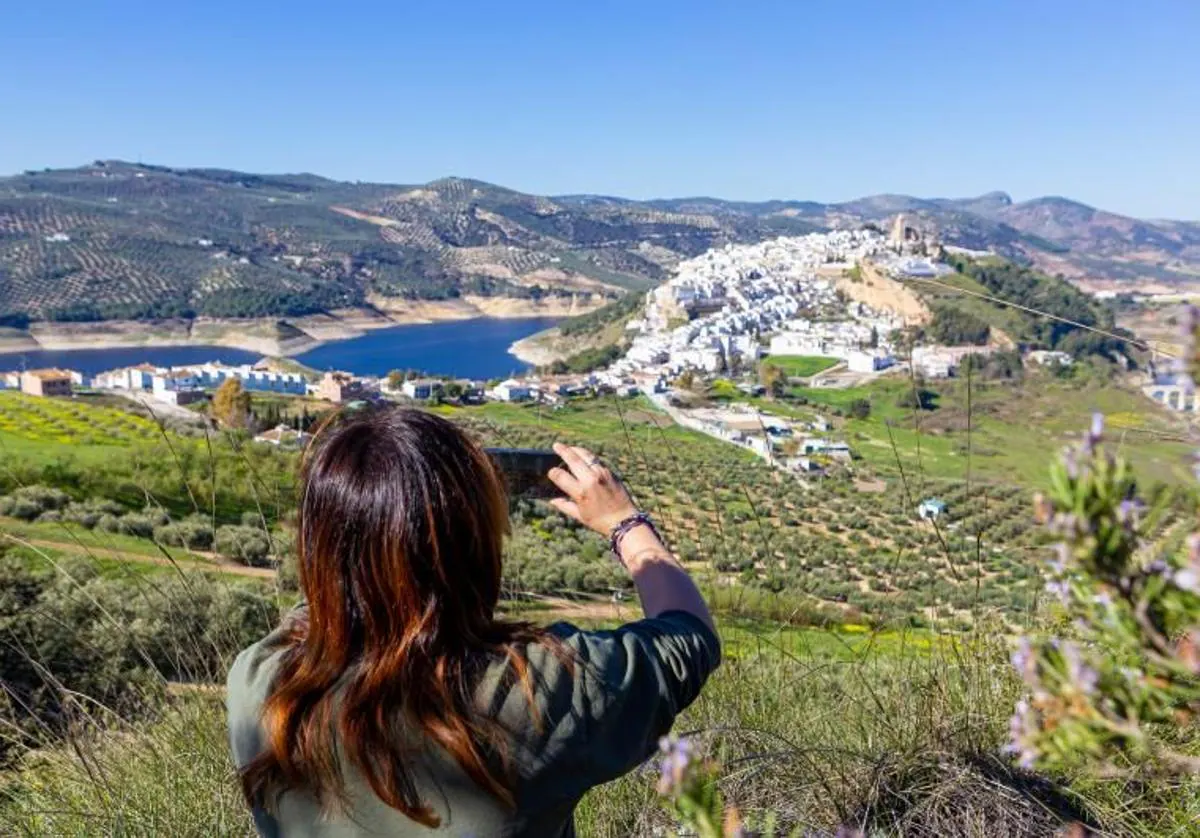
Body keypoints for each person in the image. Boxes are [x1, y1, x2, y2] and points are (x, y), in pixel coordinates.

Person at [226, 406, 720, 837]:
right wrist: (624, 524)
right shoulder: (540, 690)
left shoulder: (260, 683)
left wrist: (363, 531)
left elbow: (335, 604)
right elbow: (689, 636)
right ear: (474, 546)